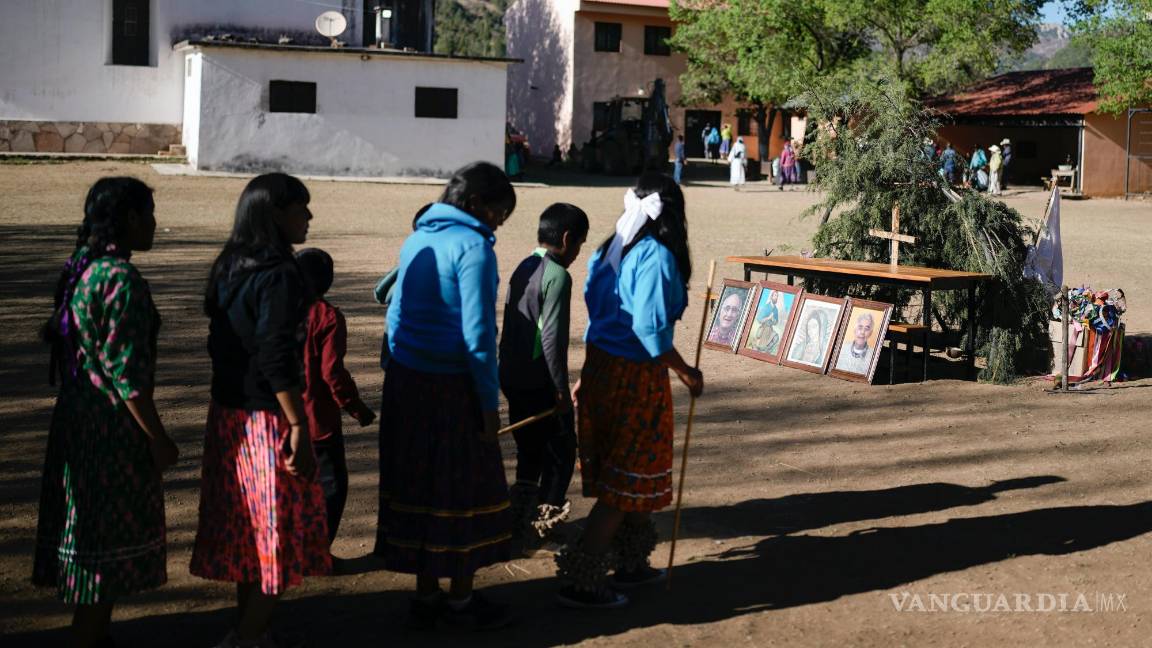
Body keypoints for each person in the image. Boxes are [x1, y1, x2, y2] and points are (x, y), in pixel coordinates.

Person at [33, 177, 178, 648]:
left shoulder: (85, 267)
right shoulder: (119, 279)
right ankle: (88, 636)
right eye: (149, 214)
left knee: (91, 527)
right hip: (110, 428)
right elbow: (127, 376)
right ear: (131, 218)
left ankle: (91, 631)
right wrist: (156, 437)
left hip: (78, 417)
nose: (155, 225)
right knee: (102, 534)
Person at [192, 173, 331, 648]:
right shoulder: (280, 274)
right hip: (267, 421)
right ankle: (247, 639)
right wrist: (297, 423)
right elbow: (276, 355)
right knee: (279, 537)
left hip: (229, 416)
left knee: (247, 536)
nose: (309, 217)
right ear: (275, 213)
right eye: (301, 208)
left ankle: (251, 628)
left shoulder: (230, 264)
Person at [376, 161, 516, 630]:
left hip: (406, 381)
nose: (499, 223)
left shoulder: (417, 237)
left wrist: (400, 364)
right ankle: (460, 597)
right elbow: (478, 336)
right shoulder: (473, 247)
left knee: (417, 484)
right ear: (477, 205)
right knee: (459, 491)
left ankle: (424, 592)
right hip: (452, 389)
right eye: (499, 213)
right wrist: (487, 403)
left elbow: (394, 314)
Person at [556, 172, 704, 608]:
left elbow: (601, 316)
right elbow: (650, 331)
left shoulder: (608, 249)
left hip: (603, 368)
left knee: (631, 475)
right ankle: (583, 579)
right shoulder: (654, 256)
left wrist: (589, 370)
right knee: (623, 480)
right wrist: (686, 372)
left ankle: (632, 562)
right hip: (635, 377)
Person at [499, 203, 590, 555]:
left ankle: (520, 516)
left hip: (510, 372)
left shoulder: (524, 265)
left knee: (528, 449)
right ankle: (544, 522)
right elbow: (551, 339)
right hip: (540, 380)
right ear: (567, 239)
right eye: (580, 245)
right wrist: (560, 391)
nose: (578, 253)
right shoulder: (557, 275)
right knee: (562, 450)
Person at [294, 248, 376, 558]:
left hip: (278, 416)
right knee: (331, 486)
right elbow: (332, 373)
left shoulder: (278, 309)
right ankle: (314, 553)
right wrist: (356, 408)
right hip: (317, 420)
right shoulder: (327, 317)